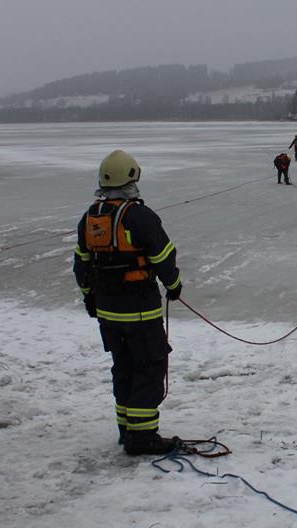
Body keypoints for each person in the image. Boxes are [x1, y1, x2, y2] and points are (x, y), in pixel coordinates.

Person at [73, 149, 183, 456]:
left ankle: (127, 429)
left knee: (124, 367)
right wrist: (174, 286)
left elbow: (81, 265)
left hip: (107, 313)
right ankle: (142, 437)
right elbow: (163, 256)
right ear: (132, 179)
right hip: (140, 311)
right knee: (149, 367)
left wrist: (90, 298)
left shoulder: (91, 217)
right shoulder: (139, 216)